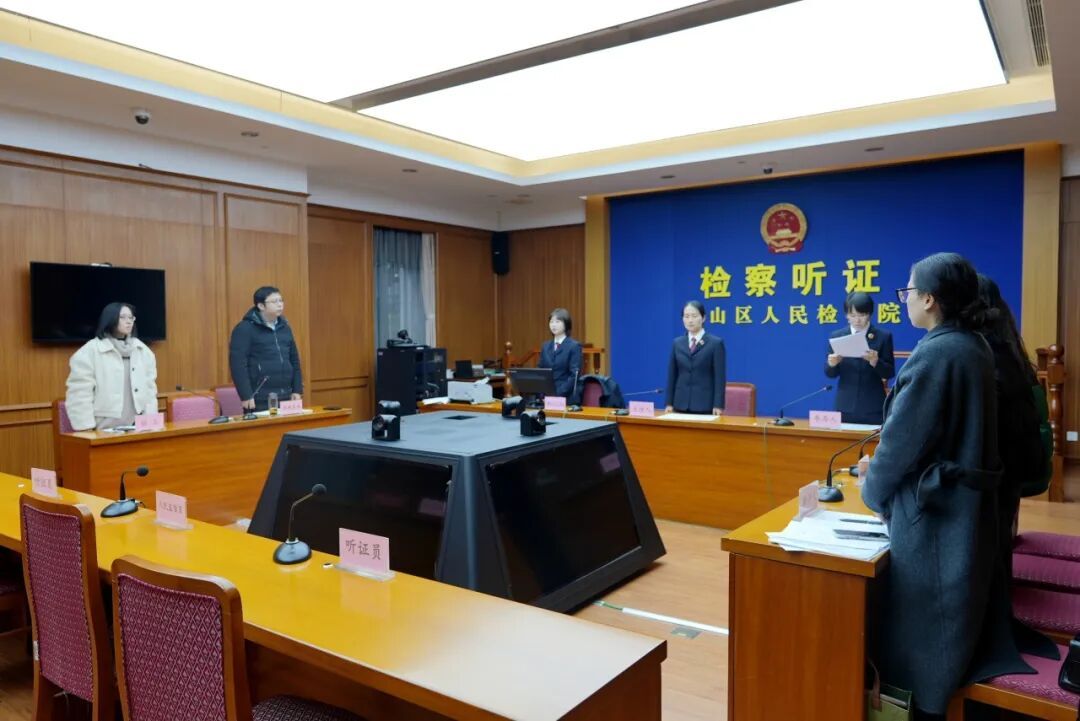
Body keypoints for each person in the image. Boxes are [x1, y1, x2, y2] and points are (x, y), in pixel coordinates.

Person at [862, 253, 1031, 718]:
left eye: (908, 291)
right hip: (965, 507)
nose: (904, 300)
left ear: (930, 299)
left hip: (936, 515)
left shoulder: (936, 353)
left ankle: (918, 707)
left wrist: (871, 491)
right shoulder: (972, 343)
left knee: (920, 636)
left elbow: (901, 444)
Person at [65, 302, 159, 431]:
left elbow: (150, 391)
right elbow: (80, 394)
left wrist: (151, 426)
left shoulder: (143, 351)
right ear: (110, 319)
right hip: (102, 429)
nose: (128, 321)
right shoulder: (89, 352)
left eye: (131, 317)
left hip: (138, 428)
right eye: (123, 317)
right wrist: (86, 429)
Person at [825, 291, 895, 424]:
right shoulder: (837, 336)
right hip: (845, 406)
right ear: (846, 315)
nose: (857, 320)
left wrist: (875, 362)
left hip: (873, 406)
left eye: (862, 315)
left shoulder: (883, 336)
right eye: (853, 315)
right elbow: (829, 373)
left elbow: (890, 372)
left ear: (869, 314)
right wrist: (832, 364)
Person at [229, 286, 303, 412]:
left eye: (281, 300)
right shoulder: (245, 329)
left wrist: (297, 389)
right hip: (259, 398)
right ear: (261, 306)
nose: (280, 304)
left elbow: (294, 360)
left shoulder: (285, 327)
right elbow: (238, 365)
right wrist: (246, 395)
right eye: (274, 301)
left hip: (287, 396)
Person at [664, 301, 725, 415]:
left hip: (704, 405)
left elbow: (719, 378)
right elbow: (672, 375)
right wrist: (669, 403)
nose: (690, 320)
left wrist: (718, 405)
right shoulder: (677, 343)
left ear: (703, 318)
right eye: (686, 316)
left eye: (694, 316)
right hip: (680, 404)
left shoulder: (715, 343)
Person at [537, 308, 583, 403]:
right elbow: (540, 371)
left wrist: (557, 394)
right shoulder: (545, 346)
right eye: (551, 322)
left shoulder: (574, 346)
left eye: (557, 322)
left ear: (566, 324)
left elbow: (574, 376)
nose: (553, 325)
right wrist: (542, 393)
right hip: (546, 397)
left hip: (566, 397)